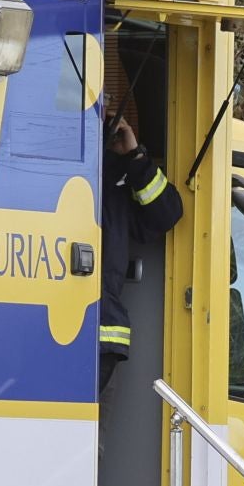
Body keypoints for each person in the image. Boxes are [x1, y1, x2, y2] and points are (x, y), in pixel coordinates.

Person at [99, 115, 184, 393]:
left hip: (104, 343)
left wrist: (134, 158)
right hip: (67, 337)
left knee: (95, 438)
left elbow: (166, 214)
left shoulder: (114, 178)